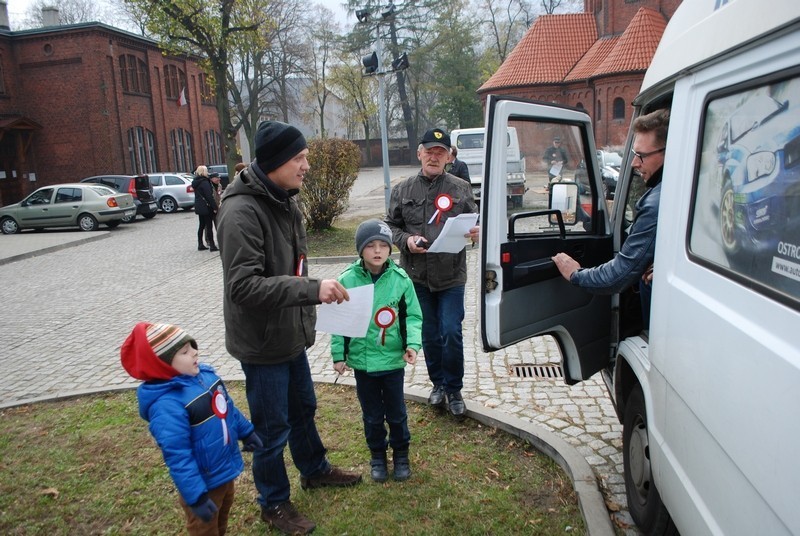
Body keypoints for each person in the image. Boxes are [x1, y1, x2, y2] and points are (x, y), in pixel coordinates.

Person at [216, 120, 361, 535]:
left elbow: (291, 265)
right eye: (299, 158)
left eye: (306, 157)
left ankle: (314, 469)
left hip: (289, 333)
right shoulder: (240, 210)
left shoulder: (284, 198)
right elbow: (243, 286)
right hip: (262, 343)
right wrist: (313, 290)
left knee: (303, 409)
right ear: (276, 161)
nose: (306, 166)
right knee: (271, 428)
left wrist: (311, 296)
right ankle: (273, 502)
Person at [120, 322, 263, 535]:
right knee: (204, 529)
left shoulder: (205, 378)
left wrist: (246, 431)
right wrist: (195, 495)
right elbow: (177, 455)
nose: (195, 352)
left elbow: (228, 408)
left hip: (223, 470)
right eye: (185, 352)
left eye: (192, 347)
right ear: (163, 364)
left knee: (222, 517)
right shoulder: (166, 405)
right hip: (203, 483)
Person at [385, 127, 479, 418]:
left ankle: (454, 388)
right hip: (417, 277)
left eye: (440, 153)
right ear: (419, 154)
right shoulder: (402, 190)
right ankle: (437, 384)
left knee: (450, 332)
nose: (434, 157)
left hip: (451, 275)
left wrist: (476, 232)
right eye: (429, 151)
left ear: (449, 157)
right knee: (429, 334)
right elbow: (390, 226)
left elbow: (474, 221)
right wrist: (406, 241)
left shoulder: (460, 188)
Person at [552, 108, 670, 329]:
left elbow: (620, 274)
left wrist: (576, 274)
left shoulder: (656, 203)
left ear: (669, 152)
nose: (635, 163)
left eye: (641, 156)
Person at [331, 219, 423, 483]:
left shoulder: (400, 279)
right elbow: (339, 320)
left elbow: (413, 316)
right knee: (372, 415)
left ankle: (401, 454)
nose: (377, 251)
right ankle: (377, 456)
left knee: (396, 412)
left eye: (383, 245)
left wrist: (412, 345)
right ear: (361, 249)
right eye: (371, 245)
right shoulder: (347, 279)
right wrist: (339, 355)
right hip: (363, 363)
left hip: (393, 361)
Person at [192, 165, 218, 252]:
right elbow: (209, 196)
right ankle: (212, 245)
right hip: (207, 207)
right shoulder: (204, 182)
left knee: (201, 225)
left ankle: (200, 244)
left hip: (199, 206)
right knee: (209, 226)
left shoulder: (195, 182)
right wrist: (215, 207)